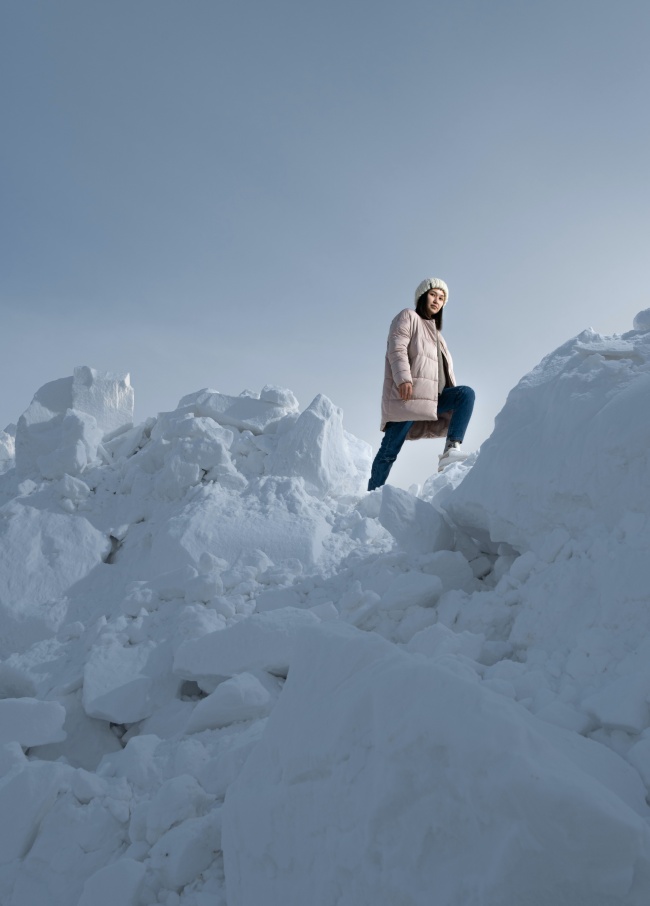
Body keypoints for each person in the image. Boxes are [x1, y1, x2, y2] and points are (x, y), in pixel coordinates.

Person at [367, 277, 475, 491]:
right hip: (408, 397)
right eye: (433, 294)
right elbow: (397, 348)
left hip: (433, 398)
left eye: (442, 298)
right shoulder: (408, 316)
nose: (437, 300)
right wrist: (404, 379)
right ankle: (372, 495)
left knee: (465, 394)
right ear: (423, 296)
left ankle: (451, 448)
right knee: (389, 451)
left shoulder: (438, 335)